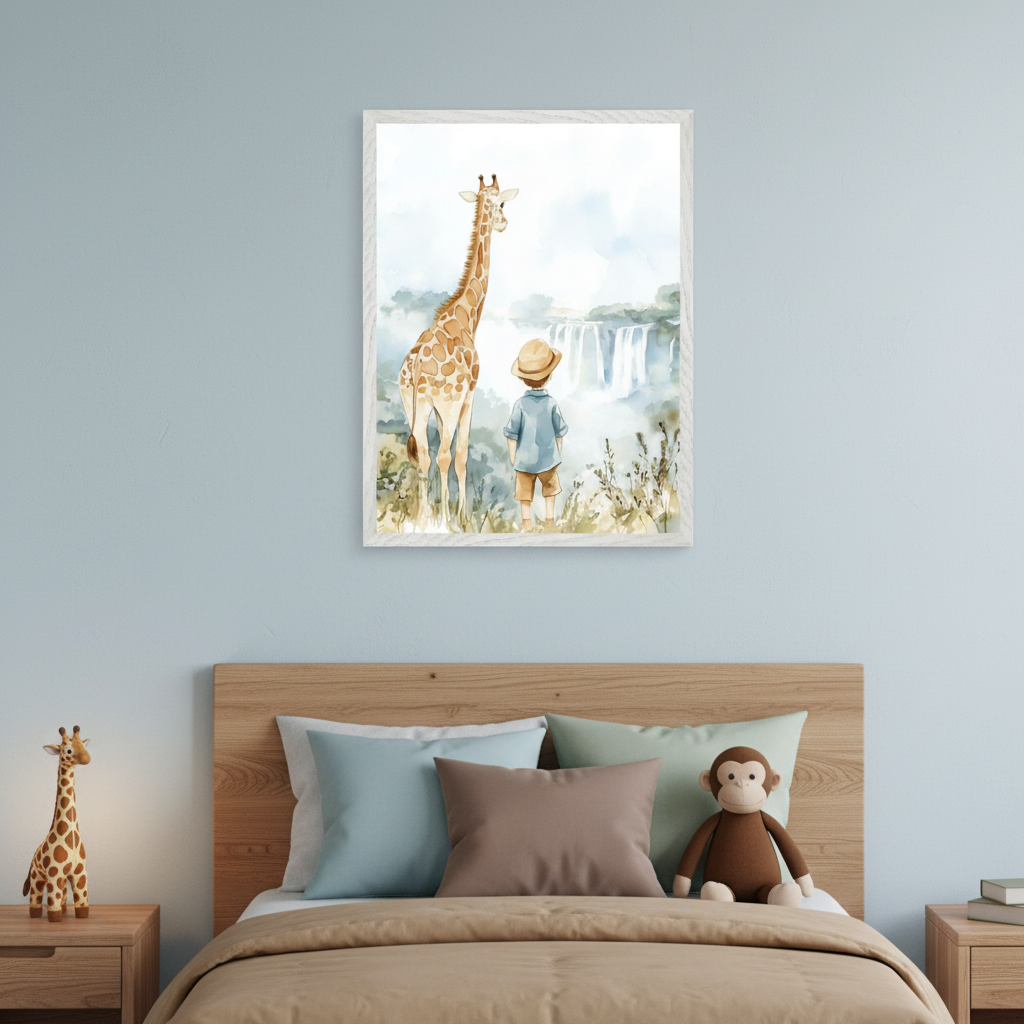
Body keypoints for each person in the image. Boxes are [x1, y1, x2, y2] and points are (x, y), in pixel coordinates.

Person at [503, 339, 569, 532]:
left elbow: (511, 434)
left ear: (523, 379)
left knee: (524, 494)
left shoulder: (520, 404)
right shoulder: (552, 403)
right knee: (550, 490)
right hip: (548, 459)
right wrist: (557, 454)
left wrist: (514, 457)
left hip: (524, 460)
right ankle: (550, 521)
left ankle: (526, 523)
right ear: (548, 376)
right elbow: (560, 433)